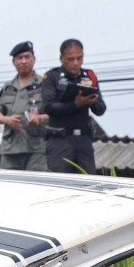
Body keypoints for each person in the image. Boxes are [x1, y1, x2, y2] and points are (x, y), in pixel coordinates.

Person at [40, 38, 106, 174]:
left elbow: (101, 109)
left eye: (79, 58)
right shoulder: (52, 77)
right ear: (61, 58)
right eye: (70, 59)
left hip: (84, 140)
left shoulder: (89, 76)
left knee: (88, 183)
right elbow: (49, 107)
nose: (75, 63)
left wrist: (92, 100)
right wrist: (75, 104)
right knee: (60, 184)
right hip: (60, 140)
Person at [0, 41, 49, 171]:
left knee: (36, 186)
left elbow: (55, 113)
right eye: (20, 58)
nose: (23, 61)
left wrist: (39, 119)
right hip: (10, 147)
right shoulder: (8, 86)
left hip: (37, 148)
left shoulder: (44, 84)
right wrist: (7, 120)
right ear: (14, 62)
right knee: (8, 186)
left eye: (27, 57)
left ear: (34, 59)